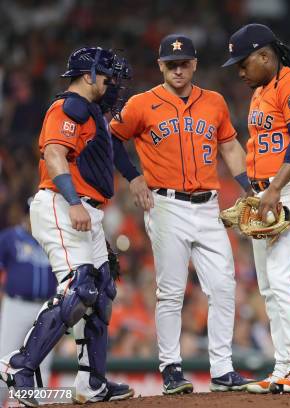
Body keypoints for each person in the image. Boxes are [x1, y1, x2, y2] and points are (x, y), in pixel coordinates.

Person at [109, 34, 253, 394]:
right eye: (171, 64)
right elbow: (110, 139)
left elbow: (230, 146)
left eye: (184, 62)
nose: (178, 69)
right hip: (166, 205)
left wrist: (250, 187)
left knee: (223, 286)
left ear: (194, 65)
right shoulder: (142, 104)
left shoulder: (215, 102)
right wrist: (133, 176)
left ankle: (222, 369)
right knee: (171, 291)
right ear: (160, 66)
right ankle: (171, 368)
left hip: (208, 206)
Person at [0, 46, 134, 407]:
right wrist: (75, 203)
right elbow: (55, 154)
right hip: (61, 204)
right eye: (107, 77)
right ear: (89, 75)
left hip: (85, 210)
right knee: (79, 288)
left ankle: (92, 383)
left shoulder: (89, 113)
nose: (111, 85)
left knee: (101, 292)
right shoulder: (67, 107)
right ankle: (19, 366)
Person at [222, 24, 290, 393]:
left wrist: (275, 188)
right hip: (269, 193)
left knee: (284, 279)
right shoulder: (260, 92)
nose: (239, 70)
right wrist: (256, 190)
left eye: (243, 61)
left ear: (265, 56)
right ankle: (285, 364)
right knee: (269, 286)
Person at [0, 202, 57, 406]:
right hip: (16, 305)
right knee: (5, 357)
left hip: (45, 308)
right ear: (26, 216)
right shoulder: (10, 238)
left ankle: (37, 405)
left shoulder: (52, 240)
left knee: (43, 362)